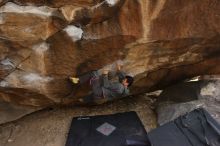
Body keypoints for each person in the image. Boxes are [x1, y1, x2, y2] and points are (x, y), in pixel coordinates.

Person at [69, 64, 134, 103]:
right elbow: (122, 78)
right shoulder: (125, 90)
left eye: (125, 80)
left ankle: (78, 80)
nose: (123, 80)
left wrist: (104, 74)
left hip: (99, 90)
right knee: (94, 95)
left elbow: (106, 85)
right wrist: (119, 70)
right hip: (100, 96)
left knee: (94, 73)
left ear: (126, 83)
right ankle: (84, 100)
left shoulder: (119, 86)